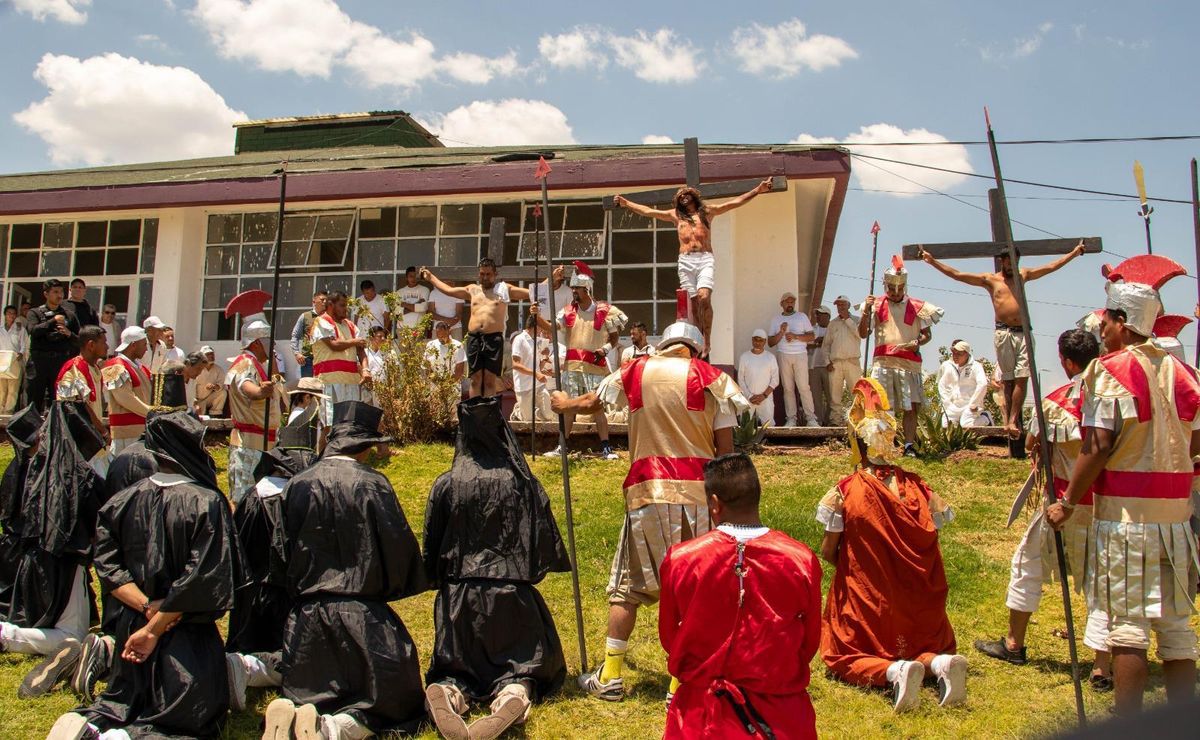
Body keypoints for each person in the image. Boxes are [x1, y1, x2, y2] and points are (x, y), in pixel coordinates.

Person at [550, 321, 749, 701]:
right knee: (696, 591)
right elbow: (726, 453)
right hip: (701, 499)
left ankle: (610, 675)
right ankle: (682, 682)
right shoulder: (712, 379)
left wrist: (565, 404)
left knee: (627, 588)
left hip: (649, 492)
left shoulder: (638, 369)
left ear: (665, 344)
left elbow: (595, 402)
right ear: (695, 349)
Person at [1047, 255, 1199, 716]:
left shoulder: (1108, 370)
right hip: (1176, 517)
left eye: (1108, 321)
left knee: (1127, 628)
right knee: (1175, 628)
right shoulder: (1184, 372)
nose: (1103, 331)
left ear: (1122, 320)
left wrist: (1068, 501)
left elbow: (1096, 445)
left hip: (1128, 518)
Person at [46, 412, 241, 740]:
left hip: (130, 628)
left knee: (125, 700)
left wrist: (144, 609)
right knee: (186, 719)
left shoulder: (123, 500)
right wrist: (155, 625)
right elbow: (202, 577)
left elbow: (107, 566)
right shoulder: (207, 504)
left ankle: (96, 727)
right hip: (183, 639)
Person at [266, 401, 427, 739]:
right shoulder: (373, 484)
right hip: (364, 621)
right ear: (365, 446)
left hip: (307, 624)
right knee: (394, 703)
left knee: (315, 694)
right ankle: (335, 730)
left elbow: (281, 552)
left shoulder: (298, 483)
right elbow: (398, 547)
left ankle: (311, 722)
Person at [423, 396, 571, 740]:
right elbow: (543, 545)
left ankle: (448, 692)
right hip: (512, 598)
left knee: (454, 670)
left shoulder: (447, 485)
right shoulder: (524, 483)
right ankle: (514, 694)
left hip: (460, 601)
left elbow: (432, 549)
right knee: (521, 668)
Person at [818, 378, 966, 712]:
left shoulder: (844, 491)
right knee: (925, 647)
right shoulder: (920, 488)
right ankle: (939, 664)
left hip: (868, 607)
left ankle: (893, 671)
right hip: (919, 608)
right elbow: (929, 541)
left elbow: (829, 551)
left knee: (841, 657)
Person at [975, 329, 1112, 688]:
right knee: (1103, 582)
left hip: (1063, 503)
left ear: (1066, 361)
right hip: (1107, 506)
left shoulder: (1054, 402)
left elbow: (1035, 442)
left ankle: (1014, 643)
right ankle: (1102, 666)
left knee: (1027, 564)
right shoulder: (1116, 398)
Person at [659, 453, 823, 739]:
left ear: (714, 504)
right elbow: (809, 641)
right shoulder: (801, 560)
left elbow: (669, 636)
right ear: (757, 496)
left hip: (701, 719)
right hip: (782, 715)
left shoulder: (681, 559)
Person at [920, 242, 1086, 436]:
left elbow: (1050, 267)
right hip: (1003, 333)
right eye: (1009, 263)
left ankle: (1014, 420)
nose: (1012, 267)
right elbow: (957, 275)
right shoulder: (990, 280)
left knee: (1022, 377)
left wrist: (1074, 253)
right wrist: (932, 262)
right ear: (1002, 261)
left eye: (1015, 262)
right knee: (1007, 379)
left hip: (1023, 332)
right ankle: (1008, 420)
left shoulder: (1023, 275)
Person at [4, 399, 106, 699]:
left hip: (33, 562)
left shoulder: (35, 467)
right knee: (72, 635)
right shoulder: (78, 477)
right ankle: (6, 637)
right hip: (62, 565)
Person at [612, 178, 774, 358]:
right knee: (695, 304)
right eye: (680, 197)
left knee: (704, 297)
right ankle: (700, 339)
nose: (683, 198)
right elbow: (649, 211)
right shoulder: (676, 216)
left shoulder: (706, 212)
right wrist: (626, 203)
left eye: (686, 195)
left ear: (694, 196)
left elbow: (733, 203)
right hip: (685, 261)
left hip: (704, 259)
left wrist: (757, 190)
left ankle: (708, 341)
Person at [224, 443, 317, 713]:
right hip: (282, 597)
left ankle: (243, 664)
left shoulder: (251, 497)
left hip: (250, 595)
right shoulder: (292, 498)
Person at [535, 261, 627, 460]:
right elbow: (551, 328)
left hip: (596, 366)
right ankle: (562, 447)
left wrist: (606, 348)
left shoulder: (605, 311)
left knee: (597, 408)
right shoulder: (568, 311)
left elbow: (614, 338)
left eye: (577, 288)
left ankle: (605, 448)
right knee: (568, 408)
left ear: (587, 289)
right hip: (573, 366)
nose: (574, 291)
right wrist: (536, 317)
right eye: (573, 288)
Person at [859, 256, 944, 456]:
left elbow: (927, 335)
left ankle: (908, 445)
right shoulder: (876, 305)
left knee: (911, 407)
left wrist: (917, 342)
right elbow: (863, 334)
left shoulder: (917, 306)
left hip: (909, 363)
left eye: (899, 289)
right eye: (891, 288)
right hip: (883, 361)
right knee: (881, 405)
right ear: (885, 286)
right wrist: (865, 312)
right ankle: (882, 445)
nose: (895, 293)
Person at [422, 258, 534, 398]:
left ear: (495, 274)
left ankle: (487, 413)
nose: (485, 277)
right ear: (478, 274)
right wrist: (430, 277)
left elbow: (532, 292)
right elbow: (449, 290)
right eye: (482, 274)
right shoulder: (472, 290)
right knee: (475, 380)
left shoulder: (504, 290)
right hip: (474, 338)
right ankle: (475, 413)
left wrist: (550, 281)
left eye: (488, 274)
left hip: (493, 338)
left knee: (489, 381)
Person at [225, 313, 286, 505]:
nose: (273, 345)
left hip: (264, 442)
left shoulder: (261, 364)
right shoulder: (245, 362)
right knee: (245, 499)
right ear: (257, 343)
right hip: (249, 443)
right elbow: (245, 385)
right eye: (269, 341)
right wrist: (259, 391)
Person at [310, 291, 370, 431]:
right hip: (328, 381)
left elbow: (361, 350)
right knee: (329, 425)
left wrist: (366, 370)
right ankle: (326, 453)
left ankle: (345, 452)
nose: (345, 309)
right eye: (342, 305)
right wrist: (355, 341)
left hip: (351, 381)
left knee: (349, 423)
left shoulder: (349, 325)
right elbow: (334, 345)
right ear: (330, 305)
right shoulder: (321, 321)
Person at [25, 279, 81, 414]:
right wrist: (52, 321)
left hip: (60, 361)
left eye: (61, 292)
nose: (59, 295)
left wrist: (68, 334)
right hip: (39, 361)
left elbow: (79, 341)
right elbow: (33, 331)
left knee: (58, 400)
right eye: (55, 292)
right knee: (34, 398)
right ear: (46, 294)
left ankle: (55, 432)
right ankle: (32, 432)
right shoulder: (35, 313)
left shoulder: (69, 315)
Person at [767, 292, 818, 427]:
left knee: (804, 387)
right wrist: (781, 332)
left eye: (792, 301)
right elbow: (771, 342)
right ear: (781, 304)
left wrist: (796, 336)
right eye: (787, 302)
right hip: (783, 354)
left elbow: (812, 336)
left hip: (800, 354)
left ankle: (811, 418)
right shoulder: (776, 319)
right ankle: (791, 419)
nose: (790, 304)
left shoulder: (801, 317)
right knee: (788, 388)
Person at [101, 327, 154, 455]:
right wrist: (152, 413)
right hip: (125, 433)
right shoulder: (114, 366)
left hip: (142, 429)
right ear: (133, 345)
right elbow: (125, 398)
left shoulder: (142, 368)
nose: (147, 349)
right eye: (144, 344)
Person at [55, 325, 108, 439]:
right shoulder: (72, 369)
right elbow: (76, 407)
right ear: (91, 345)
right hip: (75, 438)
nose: (107, 347)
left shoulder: (95, 369)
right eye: (104, 343)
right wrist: (102, 430)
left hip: (93, 436)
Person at [826, 295, 862, 425]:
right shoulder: (832, 323)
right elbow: (826, 345)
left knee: (857, 394)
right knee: (835, 395)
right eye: (838, 305)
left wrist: (847, 319)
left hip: (852, 362)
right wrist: (827, 361)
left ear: (848, 305)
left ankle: (857, 421)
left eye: (842, 304)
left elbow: (860, 334)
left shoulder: (857, 320)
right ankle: (835, 421)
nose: (840, 307)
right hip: (836, 363)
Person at [936, 340, 988, 428]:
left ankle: (986, 418)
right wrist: (947, 404)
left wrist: (973, 404)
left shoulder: (976, 366)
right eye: (954, 353)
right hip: (955, 406)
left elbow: (983, 384)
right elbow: (942, 385)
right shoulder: (950, 366)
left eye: (959, 354)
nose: (955, 356)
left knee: (966, 424)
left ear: (967, 354)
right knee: (945, 426)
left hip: (970, 405)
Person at [511, 314, 551, 422]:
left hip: (538, 384)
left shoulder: (537, 341)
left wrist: (545, 358)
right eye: (541, 326)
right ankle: (518, 412)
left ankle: (535, 413)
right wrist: (536, 374)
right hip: (524, 385)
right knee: (528, 420)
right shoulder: (519, 340)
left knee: (548, 414)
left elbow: (537, 366)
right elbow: (515, 364)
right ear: (536, 326)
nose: (542, 330)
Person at [737, 328, 779, 426]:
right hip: (748, 399)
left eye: (761, 340)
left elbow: (775, 380)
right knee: (746, 426)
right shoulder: (744, 357)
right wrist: (750, 396)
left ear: (765, 341)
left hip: (766, 399)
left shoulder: (770, 357)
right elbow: (740, 379)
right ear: (752, 340)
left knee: (769, 426)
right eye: (756, 339)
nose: (758, 342)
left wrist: (763, 396)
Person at [290, 290, 327, 379]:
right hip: (308, 359)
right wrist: (297, 353)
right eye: (322, 300)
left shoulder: (329, 317)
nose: (324, 302)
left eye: (326, 300)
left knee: (324, 386)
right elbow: (295, 336)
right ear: (314, 301)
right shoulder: (305, 316)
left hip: (325, 358)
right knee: (307, 386)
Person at [0, 304, 29, 414]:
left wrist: (21, 354)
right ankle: (0, 411)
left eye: (13, 313)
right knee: (2, 389)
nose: (11, 316)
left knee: (13, 390)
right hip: (2, 362)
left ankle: (8, 412)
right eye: (9, 313)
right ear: (5, 315)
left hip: (15, 362)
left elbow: (25, 345)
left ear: (16, 315)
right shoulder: (1, 329)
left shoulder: (20, 329)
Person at [809, 305, 833, 425]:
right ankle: (818, 422)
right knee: (815, 397)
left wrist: (823, 341)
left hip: (830, 366)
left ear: (828, 316)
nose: (817, 316)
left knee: (831, 396)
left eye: (820, 314)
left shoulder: (834, 329)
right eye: (817, 314)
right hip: (813, 367)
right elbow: (806, 345)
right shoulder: (812, 330)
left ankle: (831, 421)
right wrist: (817, 342)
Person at [527, 265, 570, 330]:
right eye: (553, 278)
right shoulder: (542, 290)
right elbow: (533, 294)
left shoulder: (568, 291)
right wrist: (551, 277)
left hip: (559, 330)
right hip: (541, 329)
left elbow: (570, 313)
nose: (554, 281)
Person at [192, 345, 227, 416]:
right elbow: (191, 387)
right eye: (208, 354)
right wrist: (194, 403)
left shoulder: (218, 369)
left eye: (212, 354)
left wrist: (214, 386)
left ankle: (215, 414)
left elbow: (220, 385)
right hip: (197, 400)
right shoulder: (197, 369)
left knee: (223, 393)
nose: (211, 356)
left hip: (209, 398)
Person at [397, 266, 431, 330]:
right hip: (402, 328)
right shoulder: (400, 292)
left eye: (415, 276)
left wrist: (404, 304)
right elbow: (397, 311)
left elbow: (423, 307)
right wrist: (417, 303)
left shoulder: (425, 290)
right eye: (411, 276)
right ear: (406, 277)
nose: (413, 279)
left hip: (419, 328)